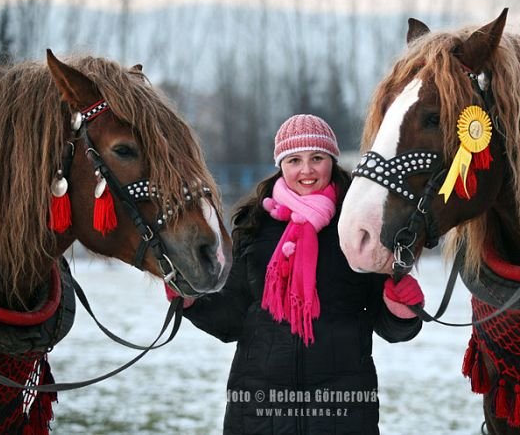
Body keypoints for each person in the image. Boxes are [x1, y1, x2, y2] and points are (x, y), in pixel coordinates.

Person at [166, 114, 425, 434]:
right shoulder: (253, 224)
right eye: (294, 160)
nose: (306, 170)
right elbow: (233, 318)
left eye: (317, 158)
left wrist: (401, 311)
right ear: (280, 165)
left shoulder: (358, 229)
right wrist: (192, 302)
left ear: (332, 160)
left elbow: (388, 326)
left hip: (342, 412)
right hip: (259, 412)